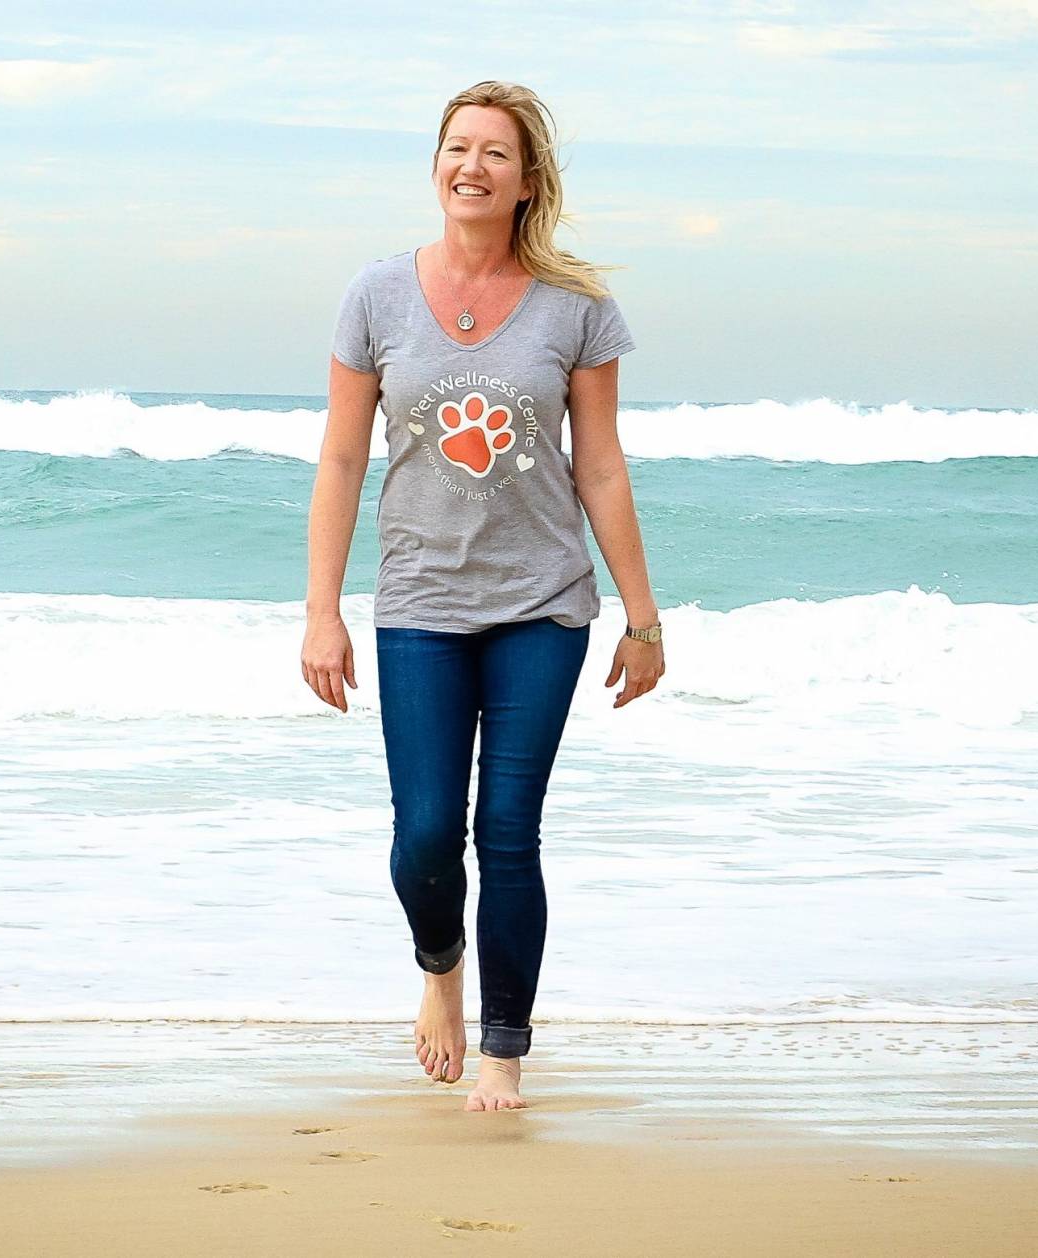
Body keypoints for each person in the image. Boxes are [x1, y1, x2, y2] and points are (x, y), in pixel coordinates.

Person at [301, 81, 665, 1111]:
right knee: (425, 832)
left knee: (507, 826)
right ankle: (439, 968)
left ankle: (504, 1045)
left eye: (495, 153)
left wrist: (642, 617)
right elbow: (338, 460)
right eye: (457, 148)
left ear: (526, 179)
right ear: (437, 167)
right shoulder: (376, 296)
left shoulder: (576, 307)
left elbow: (600, 466)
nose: (473, 166)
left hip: (541, 604)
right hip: (418, 601)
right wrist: (322, 608)